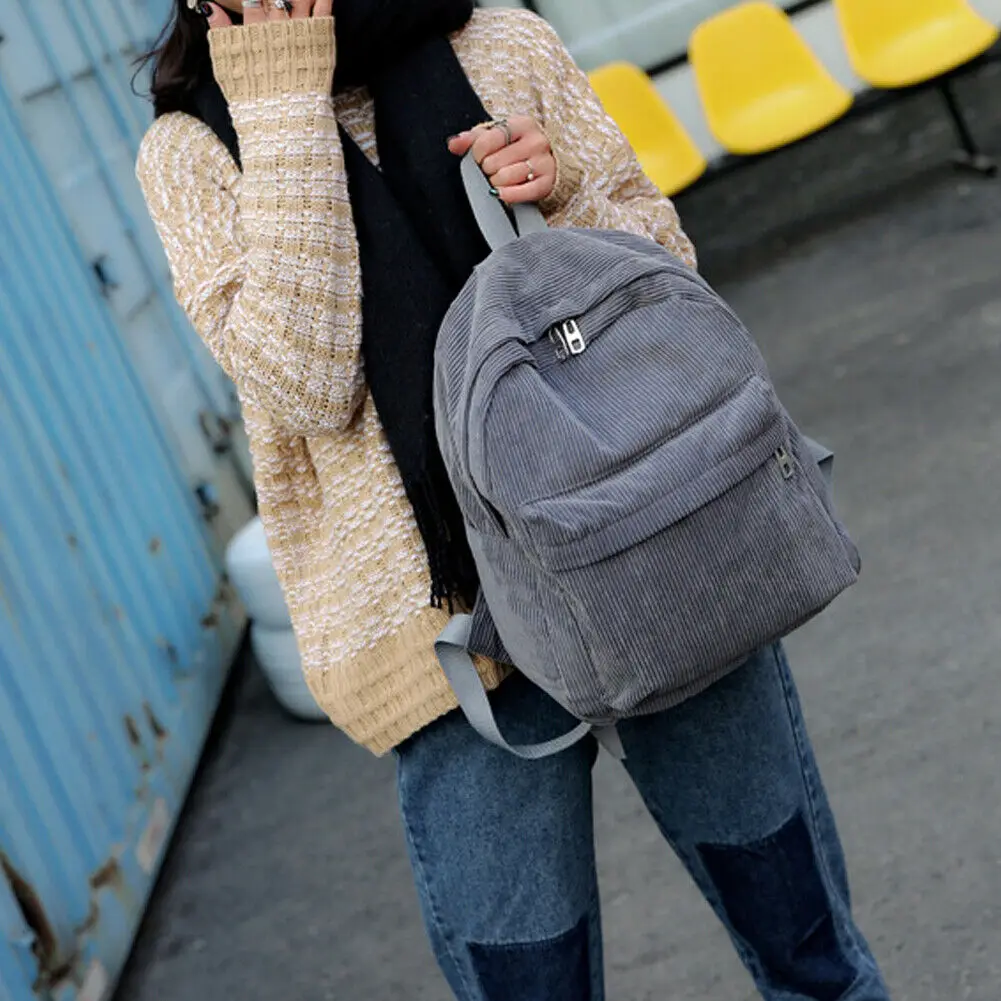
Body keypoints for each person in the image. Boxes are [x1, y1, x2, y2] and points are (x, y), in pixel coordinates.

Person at [137, 2, 891, 998]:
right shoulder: (189, 153)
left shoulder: (497, 43)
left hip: (643, 552)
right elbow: (305, 385)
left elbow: (665, 271)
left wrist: (560, 194)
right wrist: (279, 103)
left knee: (813, 960)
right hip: (443, 639)